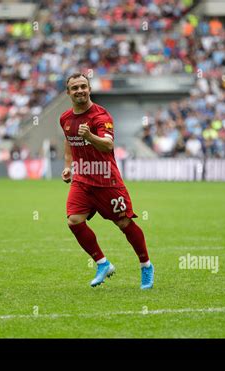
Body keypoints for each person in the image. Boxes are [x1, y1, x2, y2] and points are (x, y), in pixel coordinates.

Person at [59, 73, 154, 289]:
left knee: (123, 223)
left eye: (83, 86)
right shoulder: (65, 118)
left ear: (90, 89)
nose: (80, 91)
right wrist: (68, 166)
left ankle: (146, 265)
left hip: (107, 181)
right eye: (75, 88)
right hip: (82, 180)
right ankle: (103, 263)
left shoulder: (101, 117)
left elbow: (108, 146)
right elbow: (68, 140)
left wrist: (90, 137)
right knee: (74, 221)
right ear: (68, 93)